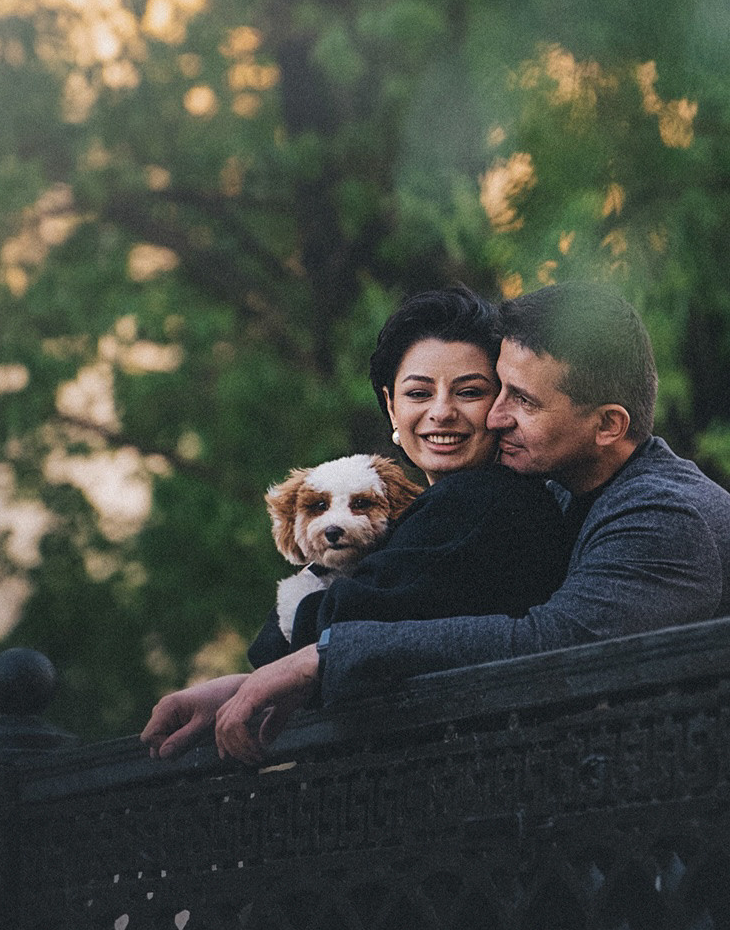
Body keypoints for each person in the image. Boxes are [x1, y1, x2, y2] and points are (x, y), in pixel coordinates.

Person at [143, 282, 730, 764]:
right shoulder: (564, 493)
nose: (493, 417)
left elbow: (552, 646)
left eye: (520, 400)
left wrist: (320, 661)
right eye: (499, 391)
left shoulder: (662, 514)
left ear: (608, 425)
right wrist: (252, 683)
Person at [142, 286, 576, 757]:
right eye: (419, 393)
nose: (441, 412)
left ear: (502, 402)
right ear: (391, 407)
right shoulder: (445, 509)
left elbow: (344, 624)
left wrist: (275, 650)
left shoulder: (483, 499)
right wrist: (243, 686)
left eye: (470, 392)